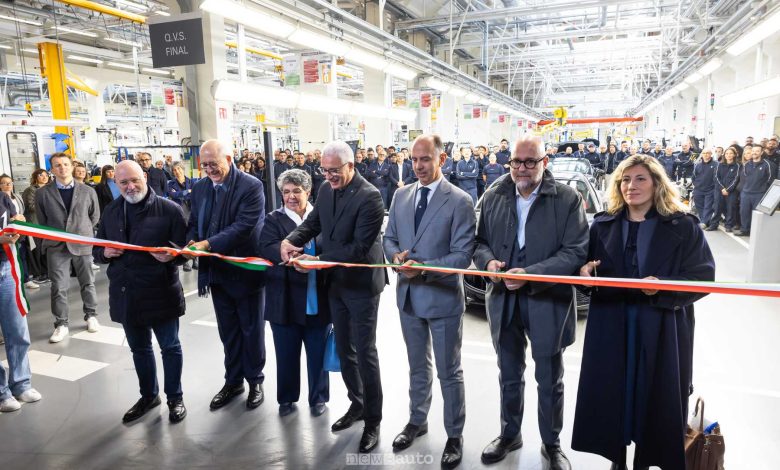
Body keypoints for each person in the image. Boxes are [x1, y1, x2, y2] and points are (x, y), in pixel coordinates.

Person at [572, 155, 715, 470]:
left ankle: (646, 460)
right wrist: (585, 274)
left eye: (640, 179)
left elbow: (703, 278)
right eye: (625, 179)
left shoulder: (683, 225)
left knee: (656, 392)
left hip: (661, 324)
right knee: (614, 390)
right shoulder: (603, 224)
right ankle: (617, 458)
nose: (630, 186)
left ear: (657, 184)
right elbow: (585, 271)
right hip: (613, 323)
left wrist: (664, 287)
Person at [473, 135, 588, 470]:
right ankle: (510, 434)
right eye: (516, 162)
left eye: (530, 162)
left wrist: (532, 274)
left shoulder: (566, 199)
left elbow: (575, 251)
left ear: (544, 162)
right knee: (509, 374)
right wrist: (488, 263)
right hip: (504, 302)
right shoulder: (494, 196)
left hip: (547, 301)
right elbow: (479, 243)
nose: (521, 168)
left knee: (550, 379)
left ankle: (551, 444)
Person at [280, 140, 387, 454]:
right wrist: (291, 239)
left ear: (350, 165)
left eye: (335, 171)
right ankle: (357, 404)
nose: (329, 176)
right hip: (336, 284)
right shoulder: (326, 190)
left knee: (366, 353)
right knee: (344, 349)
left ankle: (373, 420)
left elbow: (358, 249)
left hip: (362, 285)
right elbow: (313, 224)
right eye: (324, 171)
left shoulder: (371, 197)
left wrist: (316, 260)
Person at [383, 134, 475, 469]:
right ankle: (417, 420)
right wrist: (395, 256)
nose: (419, 166)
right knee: (417, 366)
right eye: (414, 159)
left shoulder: (460, 200)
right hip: (408, 298)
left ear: (442, 160)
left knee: (449, 371)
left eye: (425, 159)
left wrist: (423, 269)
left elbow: (463, 254)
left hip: (443, 297)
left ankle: (454, 434)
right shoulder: (401, 196)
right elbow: (389, 236)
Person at [93, 161, 187, 424]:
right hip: (126, 293)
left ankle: (175, 398)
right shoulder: (111, 211)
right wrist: (104, 253)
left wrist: (173, 257)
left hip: (161, 291)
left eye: (134, 180)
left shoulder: (170, 210)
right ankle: (149, 396)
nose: (130, 186)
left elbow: (185, 252)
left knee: (170, 347)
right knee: (140, 349)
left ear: (145, 177)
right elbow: (97, 248)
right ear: (116, 184)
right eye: (123, 183)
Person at [184, 140, 267, 411]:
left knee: (251, 329)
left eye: (214, 163)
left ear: (229, 158)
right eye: (204, 165)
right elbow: (195, 223)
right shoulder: (200, 188)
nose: (209, 169)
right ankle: (233, 381)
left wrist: (207, 245)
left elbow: (243, 227)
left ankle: (255, 380)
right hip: (217, 273)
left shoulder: (251, 186)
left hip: (245, 272)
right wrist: (190, 245)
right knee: (228, 331)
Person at [259, 169, 330, 418]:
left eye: (296, 191)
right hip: (284, 300)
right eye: (286, 192)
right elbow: (265, 247)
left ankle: (318, 397)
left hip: (317, 298)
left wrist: (317, 258)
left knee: (317, 353)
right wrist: (286, 254)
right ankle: (287, 398)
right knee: (286, 354)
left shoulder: (321, 218)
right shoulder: (273, 219)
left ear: (308, 192)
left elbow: (330, 246)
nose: (290, 196)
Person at [35, 153, 101, 343]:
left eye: (65, 164)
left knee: (87, 282)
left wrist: (82, 231)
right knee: (58, 287)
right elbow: (42, 220)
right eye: (57, 165)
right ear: (52, 169)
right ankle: (61, 324)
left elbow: (94, 217)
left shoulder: (88, 191)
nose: (62, 168)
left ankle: (91, 315)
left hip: (82, 243)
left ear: (72, 166)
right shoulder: (42, 193)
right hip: (56, 246)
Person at [0, 193, 42, 413]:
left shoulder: (2, 197)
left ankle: (21, 383)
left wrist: (19, 225)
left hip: (6, 267)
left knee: (17, 329)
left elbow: (14, 222)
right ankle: (1, 392)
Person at [0, 175, 38, 291]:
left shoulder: (17, 197)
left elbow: (22, 213)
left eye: (10, 183)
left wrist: (20, 218)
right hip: (5, 234)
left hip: (19, 233)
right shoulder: (2, 198)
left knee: (22, 256)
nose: (8, 185)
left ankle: (25, 279)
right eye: (4, 183)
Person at [736, 145, 776, 236]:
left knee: (757, 215)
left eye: (757, 151)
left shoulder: (768, 164)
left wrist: (764, 192)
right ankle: (745, 230)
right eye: (753, 151)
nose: (754, 153)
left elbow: (771, 181)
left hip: (759, 194)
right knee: (744, 212)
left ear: (761, 152)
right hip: (746, 193)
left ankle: (756, 232)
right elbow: (744, 179)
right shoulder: (746, 164)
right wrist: (743, 192)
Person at [167, 162, 198, 272]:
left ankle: (195, 259)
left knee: (193, 235)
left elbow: (195, 194)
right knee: (182, 237)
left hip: (192, 211)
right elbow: (173, 195)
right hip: (179, 212)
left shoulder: (193, 181)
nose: (177, 171)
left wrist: (181, 193)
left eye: (179, 169)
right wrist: (187, 191)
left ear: (183, 169)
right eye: (174, 170)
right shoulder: (170, 184)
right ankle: (185, 261)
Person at [22, 169, 49, 283]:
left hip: (46, 224)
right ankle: (39, 274)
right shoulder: (31, 190)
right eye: (41, 175)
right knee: (37, 250)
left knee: (46, 249)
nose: (44, 177)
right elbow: (31, 206)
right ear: (35, 177)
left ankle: (47, 273)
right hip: (35, 224)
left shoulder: (49, 189)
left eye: (46, 175)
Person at [709, 146, 740, 232]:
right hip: (719, 190)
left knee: (730, 209)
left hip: (732, 192)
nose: (728, 155)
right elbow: (716, 178)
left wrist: (728, 190)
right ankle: (714, 224)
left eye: (731, 153)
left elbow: (736, 179)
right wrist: (722, 189)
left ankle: (729, 225)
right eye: (727, 153)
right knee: (717, 207)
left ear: (734, 155)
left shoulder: (737, 166)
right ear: (724, 155)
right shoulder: (719, 165)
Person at [691, 148, 718, 227]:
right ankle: (705, 220)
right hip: (698, 190)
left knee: (708, 206)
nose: (706, 155)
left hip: (710, 190)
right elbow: (693, 177)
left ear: (711, 154)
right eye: (704, 153)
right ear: (702, 154)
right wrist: (696, 185)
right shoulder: (697, 165)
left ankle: (704, 222)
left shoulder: (716, 164)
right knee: (699, 206)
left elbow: (717, 177)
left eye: (708, 153)